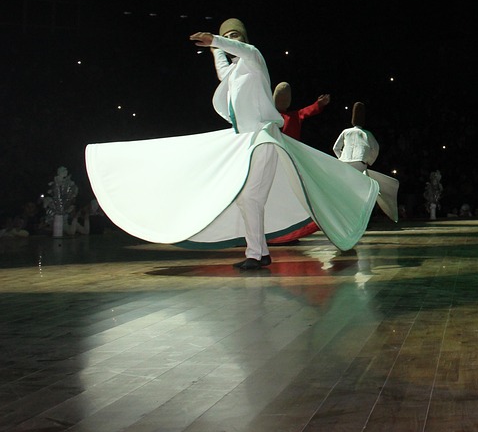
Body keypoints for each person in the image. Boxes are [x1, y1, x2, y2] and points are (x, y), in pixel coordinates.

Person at [86, 18, 379, 270]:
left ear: (245, 39)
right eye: (227, 36)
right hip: (248, 141)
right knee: (248, 199)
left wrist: (215, 39)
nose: (231, 40)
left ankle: (257, 253)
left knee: (250, 199)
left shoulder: (253, 59)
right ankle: (259, 253)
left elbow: (242, 50)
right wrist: (215, 48)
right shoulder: (236, 71)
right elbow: (223, 70)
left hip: (264, 139)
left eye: (234, 35)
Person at [269, 82, 330, 243]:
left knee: (286, 199)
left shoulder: (285, 116)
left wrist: (319, 104)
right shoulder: (271, 117)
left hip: (286, 163)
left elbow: (308, 111)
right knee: (282, 199)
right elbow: (307, 111)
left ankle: (287, 233)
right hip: (277, 163)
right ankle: (279, 234)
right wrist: (319, 104)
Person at [334, 102, 399, 222]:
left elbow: (335, 148)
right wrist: (369, 161)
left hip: (345, 164)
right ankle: (360, 219)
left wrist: (341, 158)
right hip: (359, 163)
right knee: (360, 193)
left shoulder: (346, 132)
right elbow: (376, 148)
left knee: (347, 191)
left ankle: (346, 218)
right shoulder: (367, 134)